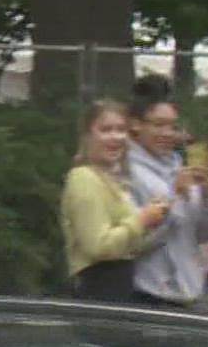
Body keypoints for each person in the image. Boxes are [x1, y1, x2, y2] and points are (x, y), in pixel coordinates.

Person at [62, 100, 170, 302]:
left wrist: (154, 219)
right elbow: (98, 247)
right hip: (96, 288)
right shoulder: (83, 177)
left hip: (121, 288)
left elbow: (129, 247)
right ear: (88, 135)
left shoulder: (113, 180)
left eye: (121, 130)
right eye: (106, 130)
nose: (115, 137)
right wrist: (141, 220)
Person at [126, 85, 208, 308]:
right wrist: (176, 197)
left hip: (190, 295)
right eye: (158, 125)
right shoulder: (127, 171)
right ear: (135, 124)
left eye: (173, 126)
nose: (168, 134)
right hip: (148, 297)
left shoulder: (181, 166)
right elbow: (135, 242)